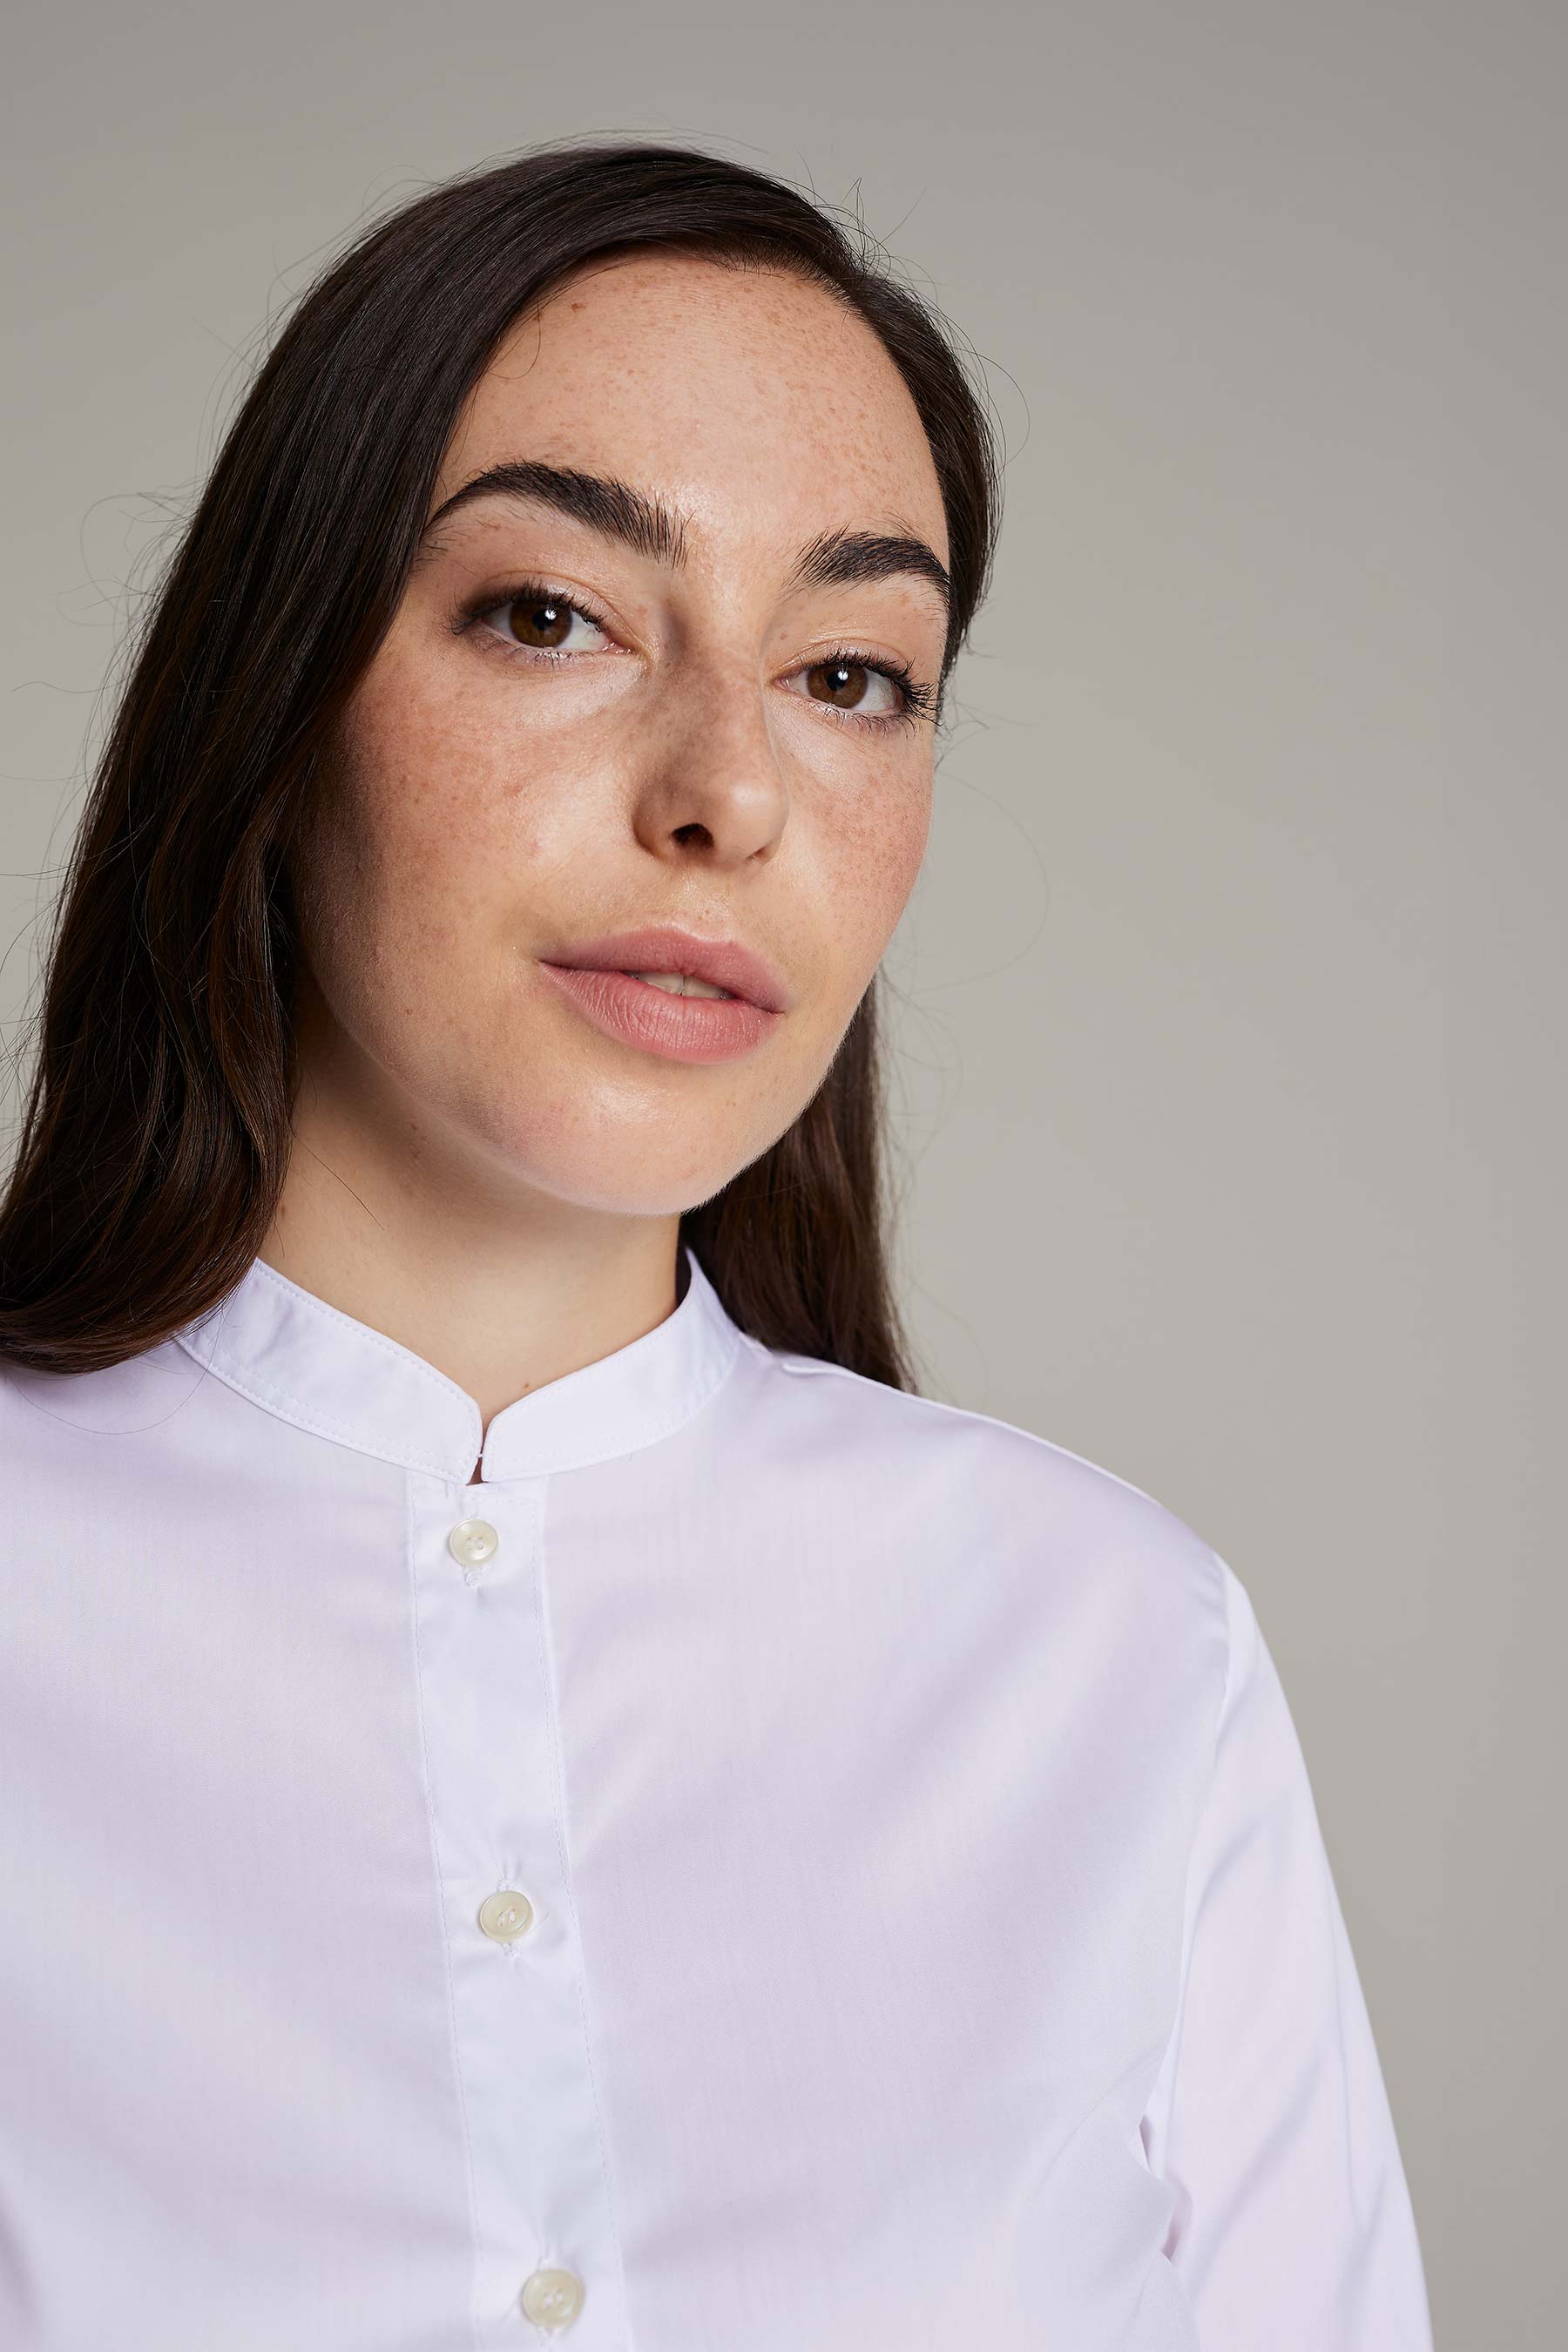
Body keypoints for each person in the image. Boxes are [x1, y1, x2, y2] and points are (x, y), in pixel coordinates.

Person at [0, 140, 1432, 2350]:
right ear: (276, 693)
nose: (727, 795)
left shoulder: (1119, 1657)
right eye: (550, 616)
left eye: (850, 673)